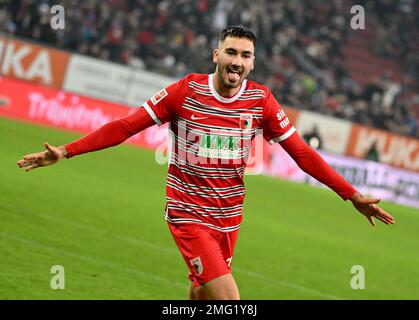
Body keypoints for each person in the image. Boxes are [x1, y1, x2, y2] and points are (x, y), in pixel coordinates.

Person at [17, 26, 395, 300]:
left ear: (253, 63)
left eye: (245, 56)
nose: (237, 62)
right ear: (217, 55)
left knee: (201, 293)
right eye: (231, 53)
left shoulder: (261, 101)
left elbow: (303, 154)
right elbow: (125, 126)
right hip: (187, 213)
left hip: (229, 216)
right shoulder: (186, 91)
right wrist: (66, 151)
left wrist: (352, 195)